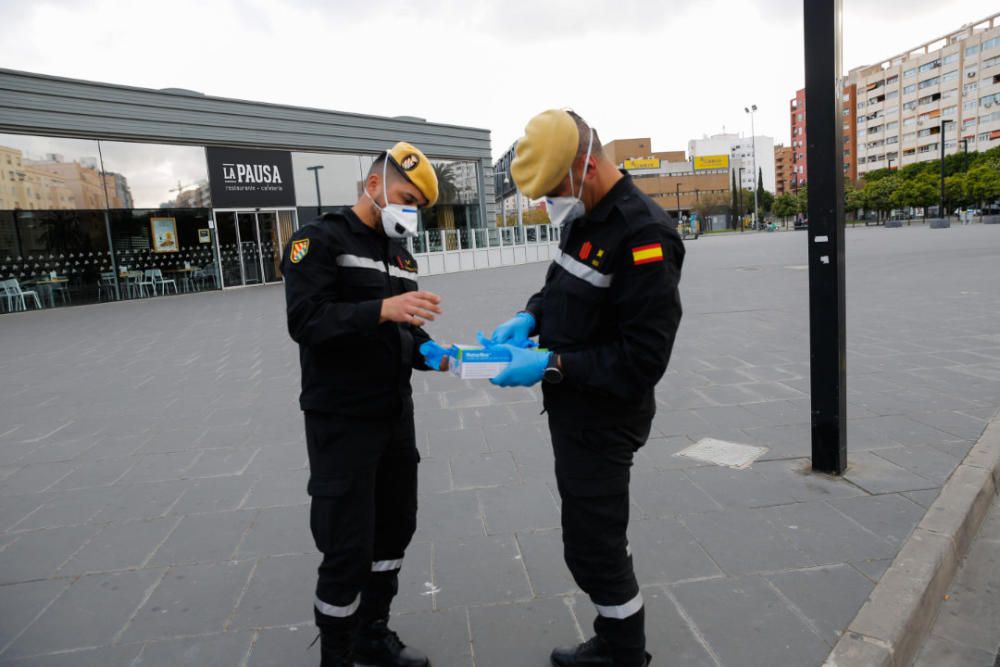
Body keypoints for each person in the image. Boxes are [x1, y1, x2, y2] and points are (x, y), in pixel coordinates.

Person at [486, 110, 684, 667]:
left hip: (607, 416)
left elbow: (643, 360)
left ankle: (625, 654)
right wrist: (528, 317)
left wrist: (551, 364)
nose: (549, 204)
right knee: (587, 540)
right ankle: (616, 639)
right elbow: (559, 291)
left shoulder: (645, 236)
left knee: (596, 546)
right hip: (573, 409)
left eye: (553, 191)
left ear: (587, 167)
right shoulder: (584, 219)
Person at [282, 142, 452, 667]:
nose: (410, 210)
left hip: (393, 416)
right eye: (405, 197)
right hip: (342, 419)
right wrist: (381, 309)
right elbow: (306, 322)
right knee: (346, 547)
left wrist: (439, 355)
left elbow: (404, 330)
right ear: (373, 185)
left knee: (395, 529)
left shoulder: (402, 257)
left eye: (419, 205)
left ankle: (372, 636)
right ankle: (337, 655)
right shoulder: (319, 240)